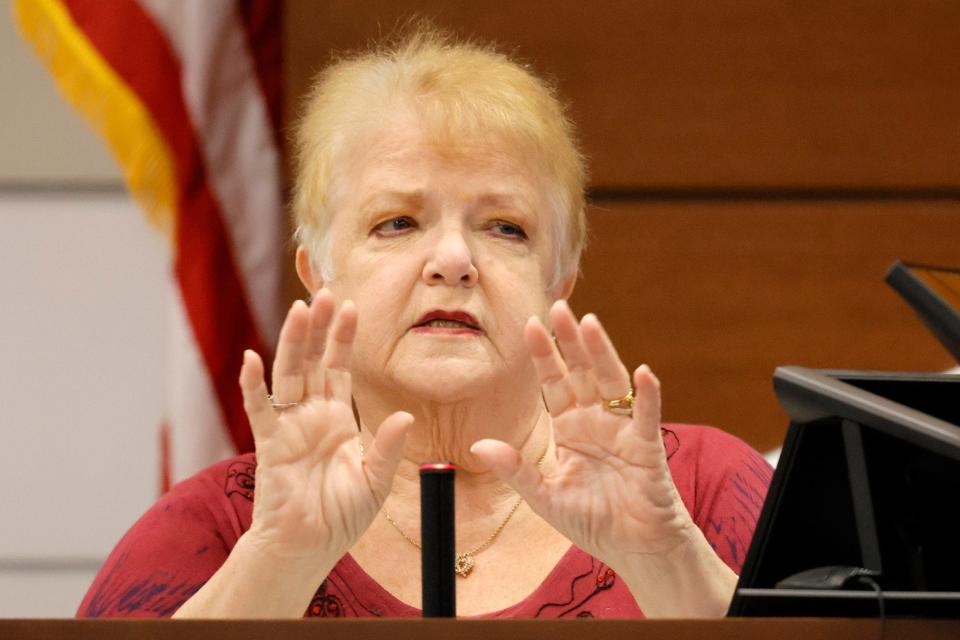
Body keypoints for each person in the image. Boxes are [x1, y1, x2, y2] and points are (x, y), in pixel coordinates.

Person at [78, 25, 773, 619]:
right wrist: (276, 563)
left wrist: (665, 561)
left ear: (559, 282)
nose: (452, 259)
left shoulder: (707, 493)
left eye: (505, 227)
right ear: (318, 275)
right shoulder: (217, 527)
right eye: (398, 223)